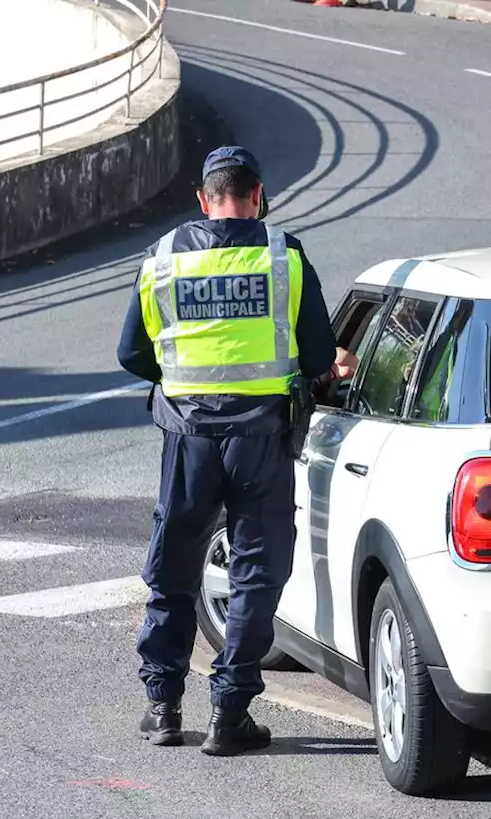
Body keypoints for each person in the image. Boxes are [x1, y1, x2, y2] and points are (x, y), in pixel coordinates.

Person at [116, 145, 358, 756]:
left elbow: (131, 354)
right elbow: (318, 355)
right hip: (262, 440)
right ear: (259, 194)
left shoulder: (164, 257)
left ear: (203, 198)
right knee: (255, 573)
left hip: (188, 438)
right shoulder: (284, 255)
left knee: (173, 567)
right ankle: (230, 712)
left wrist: (183, 379)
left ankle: (163, 705)